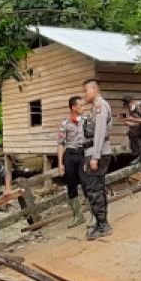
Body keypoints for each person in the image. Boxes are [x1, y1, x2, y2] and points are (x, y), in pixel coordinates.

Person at [82, 78, 113, 240]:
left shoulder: (100, 106)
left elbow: (100, 132)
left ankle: (103, 225)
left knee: (94, 190)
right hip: (94, 152)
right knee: (97, 189)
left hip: (97, 153)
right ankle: (101, 222)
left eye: (86, 91)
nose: (84, 95)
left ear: (94, 89)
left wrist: (95, 157)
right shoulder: (96, 108)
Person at [56, 95, 87, 228]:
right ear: (73, 107)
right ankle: (78, 216)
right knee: (71, 185)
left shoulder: (86, 121)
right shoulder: (64, 123)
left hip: (83, 155)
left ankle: (93, 214)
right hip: (70, 156)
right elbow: (60, 144)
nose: (83, 108)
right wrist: (60, 164)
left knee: (87, 183)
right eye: (81, 105)